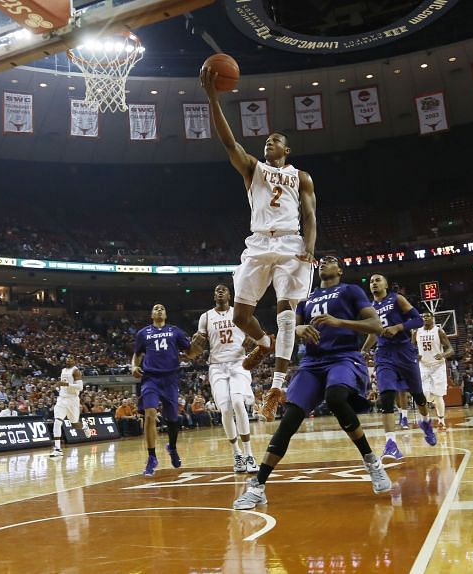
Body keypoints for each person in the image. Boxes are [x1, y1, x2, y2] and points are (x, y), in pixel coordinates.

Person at [200, 67, 317, 423]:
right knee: (240, 317)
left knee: (286, 313)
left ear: (287, 148)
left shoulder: (301, 177)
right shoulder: (253, 169)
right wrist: (212, 99)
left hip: (290, 244)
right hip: (257, 244)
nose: (269, 143)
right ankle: (264, 344)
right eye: (266, 140)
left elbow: (310, 216)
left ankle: (276, 388)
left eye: (276, 140)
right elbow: (229, 143)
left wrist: (309, 247)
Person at [233, 256, 390, 510]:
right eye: (323, 260)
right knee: (290, 419)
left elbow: (376, 325)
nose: (325, 262)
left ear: (340, 269)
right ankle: (258, 486)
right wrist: (299, 329)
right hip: (312, 364)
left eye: (331, 260)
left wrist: (340, 322)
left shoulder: (351, 290)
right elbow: (291, 328)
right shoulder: (306, 297)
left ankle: (372, 461)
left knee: (336, 397)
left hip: (343, 357)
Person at [362, 274, 437, 461]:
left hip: (404, 351)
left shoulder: (397, 299)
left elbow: (418, 321)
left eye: (378, 280)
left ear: (386, 284)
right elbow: (373, 333)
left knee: (418, 395)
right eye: (371, 281)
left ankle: (426, 422)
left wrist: (398, 327)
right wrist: (362, 351)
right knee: (386, 396)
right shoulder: (369, 309)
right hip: (384, 354)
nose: (374, 283)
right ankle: (390, 444)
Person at [132, 303, 205, 477]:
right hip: (150, 378)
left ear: (165, 314)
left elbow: (190, 353)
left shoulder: (175, 331)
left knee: (173, 420)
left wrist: (198, 346)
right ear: (151, 314)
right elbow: (137, 354)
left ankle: (172, 447)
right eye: (155, 308)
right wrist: (133, 367)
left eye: (162, 308)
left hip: (170, 379)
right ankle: (151, 457)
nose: (159, 310)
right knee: (150, 414)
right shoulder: (143, 333)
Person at [197, 284, 259, 474]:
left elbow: (257, 336)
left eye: (224, 289)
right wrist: (195, 343)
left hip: (238, 362)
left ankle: (249, 454)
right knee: (225, 409)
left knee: (238, 403)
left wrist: (253, 341)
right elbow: (198, 344)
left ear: (230, 295)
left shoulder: (240, 314)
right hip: (216, 366)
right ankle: (237, 454)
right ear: (214, 296)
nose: (220, 292)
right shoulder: (206, 317)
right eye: (217, 290)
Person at [413, 312, 454, 430]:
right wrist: (415, 355)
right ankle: (431, 403)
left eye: (427, 316)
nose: (425, 318)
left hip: (438, 366)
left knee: (438, 395)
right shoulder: (417, 332)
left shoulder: (439, 331)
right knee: (424, 394)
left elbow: (450, 349)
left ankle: (441, 420)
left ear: (433, 318)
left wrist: (443, 354)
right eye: (423, 317)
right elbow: (410, 348)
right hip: (424, 365)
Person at [48, 357, 92, 457]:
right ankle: (58, 449)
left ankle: (85, 426)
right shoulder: (63, 370)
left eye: (70, 360)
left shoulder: (76, 371)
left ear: (74, 361)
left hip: (72, 400)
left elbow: (80, 387)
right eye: (67, 360)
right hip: (62, 399)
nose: (68, 361)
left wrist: (66, 384)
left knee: (75, 425)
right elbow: (62, 383)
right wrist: (58, 386)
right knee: (57, 422)